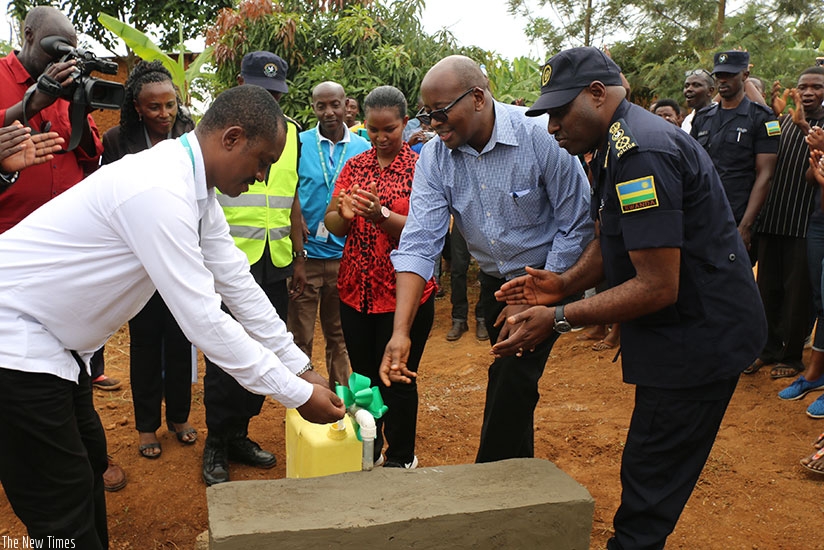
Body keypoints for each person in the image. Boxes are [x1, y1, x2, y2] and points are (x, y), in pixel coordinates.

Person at [0, 85, 346, 549]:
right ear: (232, 138)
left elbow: (236, 283)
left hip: (58, 350)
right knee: (59, 509)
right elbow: (204, 319)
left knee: (86, 468)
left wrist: (298, 364)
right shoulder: (159, 190)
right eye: (262, 160)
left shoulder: (194, 189)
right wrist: (296, 394)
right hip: (15, 346)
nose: (263, 176)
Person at [492, 46, 766, 550]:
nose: (552, 127)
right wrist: (564, 282)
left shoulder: (642, 152)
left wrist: (557, 317)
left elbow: (657, 284)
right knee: (649, 464)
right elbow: (613, 235)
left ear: (597, 94)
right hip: (678, 330)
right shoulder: (615, 142)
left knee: (649, 484)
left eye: (558, 111)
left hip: (698, 340)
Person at [379, 55, 593, 464]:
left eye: (441, 113)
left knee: (511, 373)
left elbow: (577, 225)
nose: (433, 124)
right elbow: (420, 242)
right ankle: (521, 476)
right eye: (427, 114)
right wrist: (400, 331)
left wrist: (536, 293)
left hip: (552, 273)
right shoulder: (435, 158)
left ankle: (487, 479)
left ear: (477, 97)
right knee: (516, 386)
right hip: (497, 283)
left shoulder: (540, 137)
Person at [201, 51, 308, 486]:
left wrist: (300, 256)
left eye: (275, 94)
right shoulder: (221, 133)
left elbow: (293, 196)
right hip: (230, 258)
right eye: (260, 92)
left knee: (265, 346)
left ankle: (240, 434)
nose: (269, 100)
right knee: (225, 355)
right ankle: (216, 441)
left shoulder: (293, 135)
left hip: (275, 258)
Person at [324, 85, 436, 468]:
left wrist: (381, 216)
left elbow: (431, 229)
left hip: (404, 296)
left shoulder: (422, 169)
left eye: (389, 129)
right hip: (356, 293)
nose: (381, 137)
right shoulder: (355, 166)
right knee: (365, 380)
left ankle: (401, 457)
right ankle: (368, 448)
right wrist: (345, 213)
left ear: (405, 123)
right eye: (373, 130)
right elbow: (332, 223)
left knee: (397, 378)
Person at [101, 60, 198, 460]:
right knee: (144, 342)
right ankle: (145, 427)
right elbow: (108, 193)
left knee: (180, 338)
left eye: (170, 105)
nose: (164, 114)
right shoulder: (117, 140)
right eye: (154, 107)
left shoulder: (188, 134)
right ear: (138, 107)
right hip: (138, 261)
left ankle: (178, 417)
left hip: (178, 253)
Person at [288, 81, 371, 387]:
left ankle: (341, 404)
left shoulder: (363, 148)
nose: (329, 112)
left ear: (346, 104)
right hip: (306, 258)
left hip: (345, 259)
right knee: (300, 337)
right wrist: (294, 220)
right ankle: (302, 403)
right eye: (321, 106)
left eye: (334, 104)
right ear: (313, 108)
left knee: (340, 337)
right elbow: (289, 187)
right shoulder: (299, 143)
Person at [748, 67, 824, 379]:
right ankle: (765, 349)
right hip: (774, 216)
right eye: (803, 86)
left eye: (816, 87)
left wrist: (808, 131)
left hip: (804, 221)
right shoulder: (784, 121)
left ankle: (791, 356)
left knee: (798, 295)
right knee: (767, 288)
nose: (808, 92)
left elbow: (812, 176)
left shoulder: (815, 124)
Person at [690, 50, 779, 264]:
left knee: (735, 286)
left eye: (729, 75)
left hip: (737, 217)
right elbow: (691, 168)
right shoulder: (703, 118)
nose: (723, 80)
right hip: (702, 216)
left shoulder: (762, 118)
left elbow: (765, 174)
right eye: (719, 75)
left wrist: (745, 226)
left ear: (745, 76)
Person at [446, 224, 488, 341]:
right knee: (457, 269)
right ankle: (459, 319)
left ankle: (482, 317)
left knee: (487, 269)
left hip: (486, 223)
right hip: (461, 223)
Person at [681, 69, 715, 134]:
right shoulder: (687, 120)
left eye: (696, 85)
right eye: (686, 86)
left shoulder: (719, 117)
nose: (689, 89)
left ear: (710, 91)